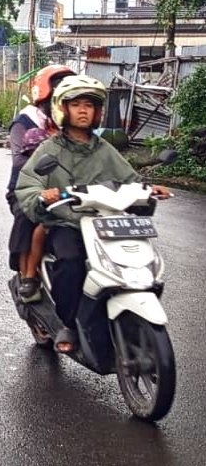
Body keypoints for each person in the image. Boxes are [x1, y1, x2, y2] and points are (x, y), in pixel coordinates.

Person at [15, 74, 170, 353]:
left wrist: (148, 188)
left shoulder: (105, 149)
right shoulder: (50, 148)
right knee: (71, 261)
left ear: (98, 111)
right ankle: (68, 324)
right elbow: (27, 183)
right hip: (67, 223)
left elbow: (129, 178)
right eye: (76, 105)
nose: (83, 110)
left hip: (105, 224)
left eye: (89, 105)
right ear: (64, 109)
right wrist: (42, 195)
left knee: (134, 260)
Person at [6, 64, 73, 302]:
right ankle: (28, 276)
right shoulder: (25, 122)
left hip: (70, 190)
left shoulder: (74, 122)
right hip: (29, 189)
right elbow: (20, 163)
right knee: (29, 216)